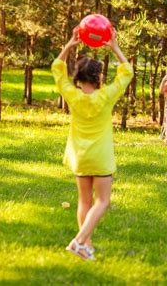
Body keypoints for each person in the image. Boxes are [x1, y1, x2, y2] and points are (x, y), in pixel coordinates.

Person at [52, 26, 133, 260]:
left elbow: (57, 69)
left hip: (79, 156)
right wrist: (115, 46)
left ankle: (87, 247)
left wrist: (69, 44)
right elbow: (126, 73)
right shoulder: (106, 96)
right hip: (99, 156)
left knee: (84, 201)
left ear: (77, 77)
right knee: (103, 201)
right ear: (99, 78)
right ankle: (78, 241)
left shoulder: (72, 94)